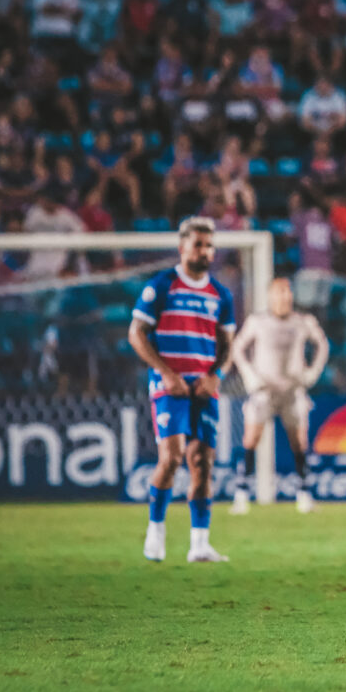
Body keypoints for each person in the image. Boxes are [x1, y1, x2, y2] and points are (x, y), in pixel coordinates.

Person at [128, 217, 236, 563]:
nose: (204, 251)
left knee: (202, 462)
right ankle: (155, 531)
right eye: (197, 245)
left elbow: (227, 342)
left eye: (208, 246)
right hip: (169, 386)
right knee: (171, 458)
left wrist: (216, 375)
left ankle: (199, 544)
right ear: (182, 247)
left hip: (203, 387)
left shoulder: (221, 294)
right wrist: (165, 373)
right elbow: (136, 333)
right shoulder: (162, 285)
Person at [229, 277, 330, 515]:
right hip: (264, 390)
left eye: (287, 291)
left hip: (292, 390)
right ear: (271, 296)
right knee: (251, 439)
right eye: (279, 292)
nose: (284, 296)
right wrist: (250, 377)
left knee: (299, 442)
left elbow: (323, 345)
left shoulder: (303, 321)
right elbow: (237, 348)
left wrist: (312, 373)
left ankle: (304, 494)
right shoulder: (258, 321)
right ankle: (241, 494)